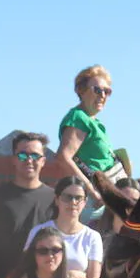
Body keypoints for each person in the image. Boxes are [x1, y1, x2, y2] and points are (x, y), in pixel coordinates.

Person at [0, 132, 56, 278]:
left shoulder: (56, 201)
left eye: (35, 156)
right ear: (14, 159)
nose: (29, 160)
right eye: (22, 155)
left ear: (43, 161)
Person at [55, 65, 125, 219]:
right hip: (93, 202)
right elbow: (63, 157)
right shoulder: (79, 117)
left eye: (107, 91)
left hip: (104, 197)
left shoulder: (94, 122)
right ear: (81, 90)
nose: (103, 95)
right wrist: (93, 193)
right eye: (97, 90)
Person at [24, 177, 103, 278]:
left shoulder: (93, 237)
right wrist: (74, 276)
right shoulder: (39, 231)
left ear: (85, 202)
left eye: (78, 198)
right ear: (57, 200)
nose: (73, 202)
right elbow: (25, 274)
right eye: (67, 197)